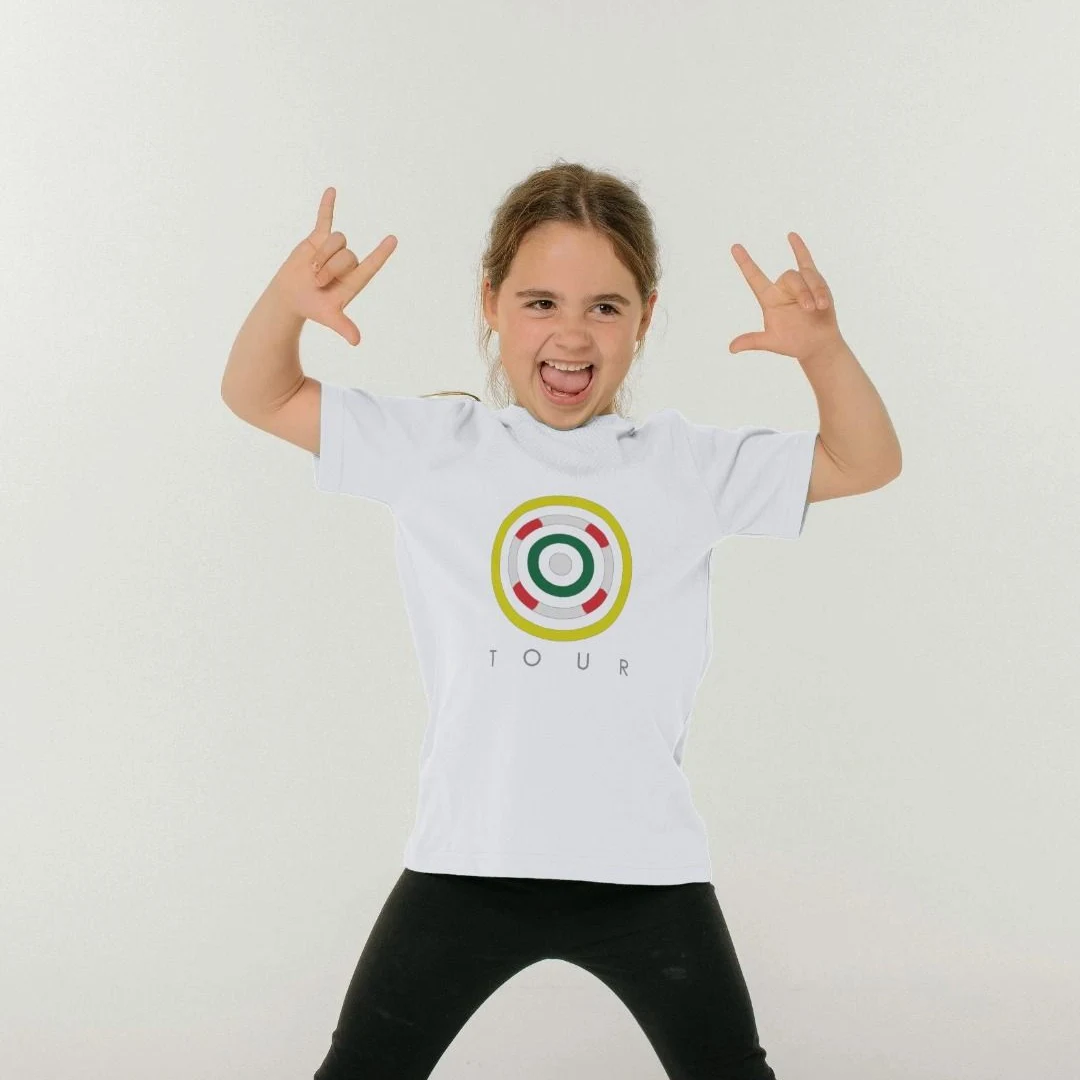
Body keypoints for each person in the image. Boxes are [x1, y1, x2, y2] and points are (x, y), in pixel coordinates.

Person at [221, 161, 902, 1080]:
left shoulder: (684, 466)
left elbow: (866, 460)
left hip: (645, 873)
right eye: (540, 302)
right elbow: (258, 394)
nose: (572, 335)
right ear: (492, 305)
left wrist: (822, 351)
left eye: (605, 307)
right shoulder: (436, 449)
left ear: (646, 318)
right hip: (467, 863)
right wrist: (285, 303)